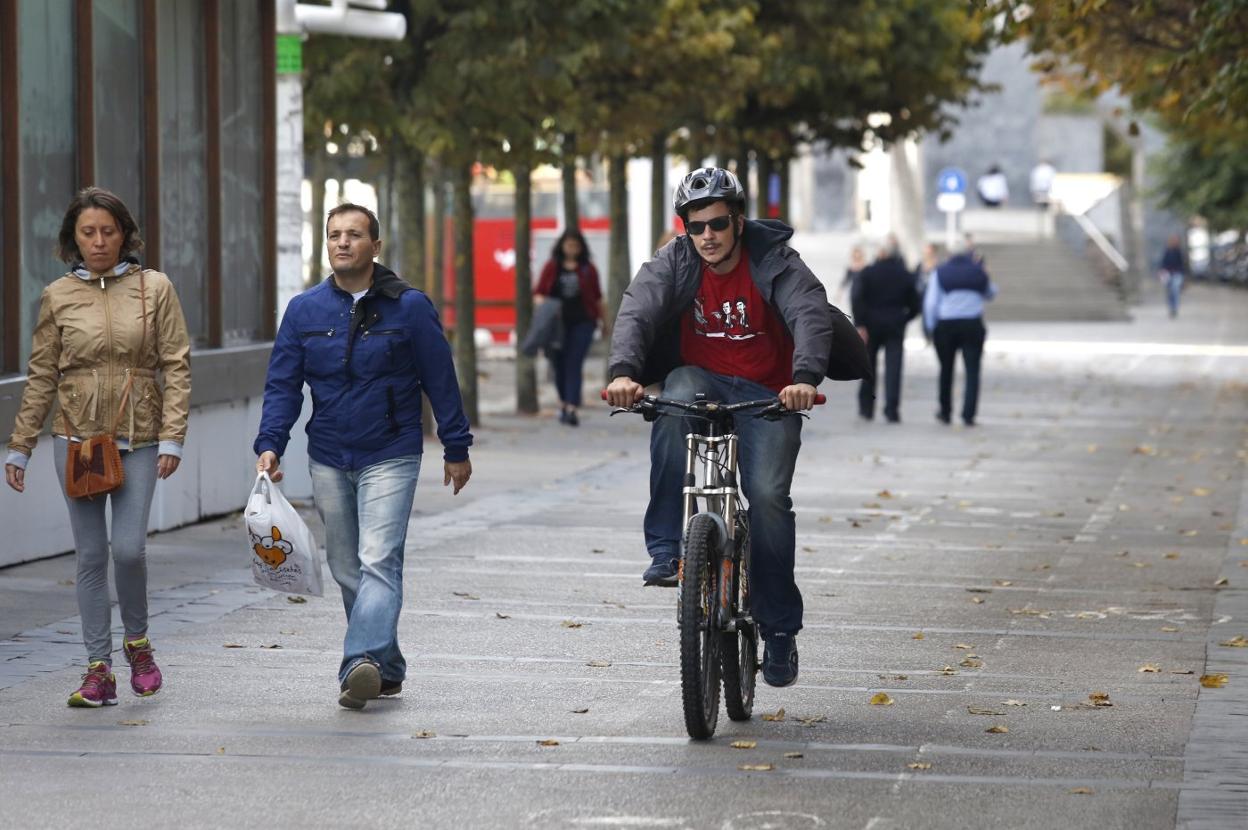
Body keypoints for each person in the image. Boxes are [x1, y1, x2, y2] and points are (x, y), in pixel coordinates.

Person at [605, 167, 833, 688]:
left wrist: (803, 379)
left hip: (769, 393)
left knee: (769, 496)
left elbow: (809, 313)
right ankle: (667, 550)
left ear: (738, 220)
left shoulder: (775, 261)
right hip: (701, 381)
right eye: (694, 225)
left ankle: (777, 630)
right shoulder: (677, 260)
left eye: (716, 224)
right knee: (673, 398)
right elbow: (637, 309)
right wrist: (623, 373)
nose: (706, 235)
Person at [253, 203, 473, 710]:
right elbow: (283, 385)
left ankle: (357, 664)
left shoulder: (410, 307)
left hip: (391, 450)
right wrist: (270, 444)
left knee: (379, 560)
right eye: (334, 235)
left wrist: (455, 447)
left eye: (354, 235)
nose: (343, 243)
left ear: (376, 245)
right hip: (329, 452)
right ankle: (386, 667)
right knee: (347, 566)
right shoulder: (304, 311)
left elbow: (440, 379)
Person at [5, 187, 192, 707]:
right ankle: (97, 668)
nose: (99, 241)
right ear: (74, 238)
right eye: (88, 232)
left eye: (108, 231)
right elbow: (41, 374)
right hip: (79, 440)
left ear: (124, 234)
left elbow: (176, 362)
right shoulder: (58, 295)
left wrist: (174, 434)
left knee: (128, 549)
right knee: (90, 555)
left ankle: (138, 643)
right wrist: (20, 445)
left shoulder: (154, 288)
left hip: (141, 437)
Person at [534, 230, 607, 426]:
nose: (572, 249)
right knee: (558, 364)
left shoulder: (587, 269)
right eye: (568, 245)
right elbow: (539, 292)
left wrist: (603, 321)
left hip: (583, 323)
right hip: (556, 325)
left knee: (574, 363)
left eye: (575, 245)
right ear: (561, 246)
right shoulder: (552, 267)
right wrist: (547, 306)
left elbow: (598, 297)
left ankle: (572, 407)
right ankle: (563, 402)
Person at [924, 237, 997, 427]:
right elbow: (990, 293)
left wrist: (930, 327)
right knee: (972, 370)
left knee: (946, 370)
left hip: (946, 325)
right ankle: (968, 414)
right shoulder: (978, 271)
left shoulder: (940, 272)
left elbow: (931, 303)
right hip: (972, 324)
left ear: (949, 253)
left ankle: (945, 411)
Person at [851, 236, 922, 423]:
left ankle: (866, 408)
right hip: (895, 326)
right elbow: (915, 303)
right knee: (894, 368)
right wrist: (905, 318)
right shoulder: (904, 274)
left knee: (868, 368)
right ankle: (892, 410)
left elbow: (857, 298)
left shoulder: (867, 273)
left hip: (871, 325)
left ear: (880, 253)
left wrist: (860, 324)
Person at [1159, 234, 1186, 319]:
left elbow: (1182, 264)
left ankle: (1175, 308)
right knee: (1170, 292)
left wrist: (1184, 276)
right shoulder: (1167, 251)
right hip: (1168, 274)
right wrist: (1162, 270)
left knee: (1175, 290)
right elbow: (1163, 262)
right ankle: (1171, 308)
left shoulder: (1179, 251)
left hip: (1177, 274)